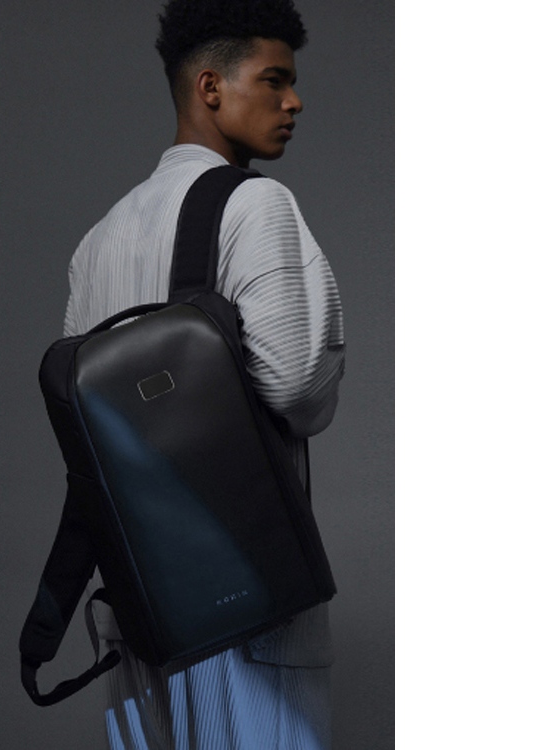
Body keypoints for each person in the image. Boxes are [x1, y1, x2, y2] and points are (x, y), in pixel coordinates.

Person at [61, 1, 345, 747]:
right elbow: (298, 390)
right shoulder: (255, 204)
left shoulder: (98, 240)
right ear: (211, 87)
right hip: (249, 615)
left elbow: (85, 430)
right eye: (275, 79)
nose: (295, 101)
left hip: (141, 618)